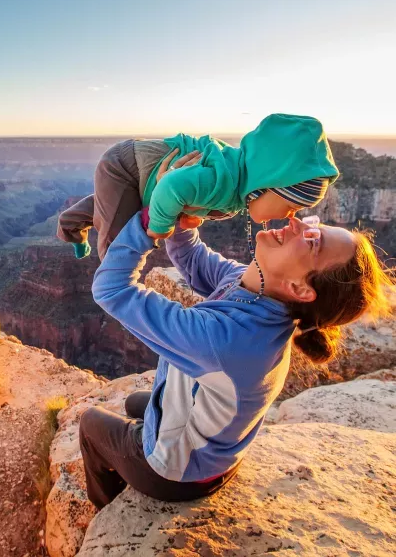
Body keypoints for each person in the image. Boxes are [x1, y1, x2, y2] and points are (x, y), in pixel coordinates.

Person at [78, 153, 391, 509]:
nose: (295, 223)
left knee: (91, 423)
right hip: (218, 451)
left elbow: (112, 290)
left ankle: (105, 507)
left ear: (302, 289)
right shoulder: (258, 286)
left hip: (178, 473)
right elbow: (192, 256)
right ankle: (152, 442)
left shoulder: (231, 341)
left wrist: (150, 221)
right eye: (313, 223)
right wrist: (183, 203)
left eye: (313, 241)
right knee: (135, 402)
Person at [57, 113, 339, 261]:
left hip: (138, 172)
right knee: (116, 244)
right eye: (292, 205)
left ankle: (69, 226)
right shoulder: (223, 181)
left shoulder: (239, 185)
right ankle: (96, 259)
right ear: (268, 185)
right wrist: (160, 227)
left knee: (107, 207)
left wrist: (194, 214)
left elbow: (191, 198)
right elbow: (171, 189)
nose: (291, 215)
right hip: (125, 167)